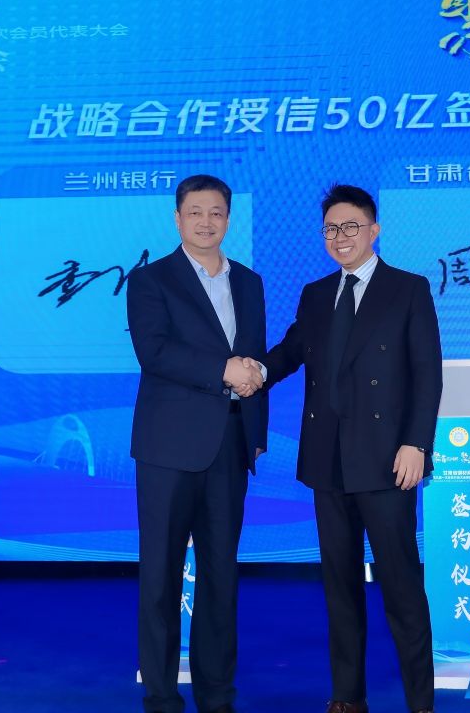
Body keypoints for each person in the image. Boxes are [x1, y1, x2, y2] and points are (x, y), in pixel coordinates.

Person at [261, 184, 442, 713]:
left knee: (401, 588)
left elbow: (427, 374)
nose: (341, 237)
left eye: (351, 227)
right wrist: (253, 372)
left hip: (387, 462)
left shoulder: (408, 289)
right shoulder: (316, 294)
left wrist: (417, 444)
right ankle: (347, 697)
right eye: (331, 229)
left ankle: (420, 702)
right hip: (328, 462)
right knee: (339, 588)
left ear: (374, 230)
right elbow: (290, 352)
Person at [127, 174, 268, 713]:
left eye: (216, 213)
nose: (206, 222)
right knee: (160, 575)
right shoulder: (151, 280)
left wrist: (255, 430)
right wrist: (223, 369)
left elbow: (255, 356)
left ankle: (216, 691)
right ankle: (161, 694)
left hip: (230, 446)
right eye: (195, 212)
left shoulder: (249, 282)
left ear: (228, 219)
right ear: (177, 218)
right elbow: (154, 353)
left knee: (221, 574)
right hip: (168, 449)